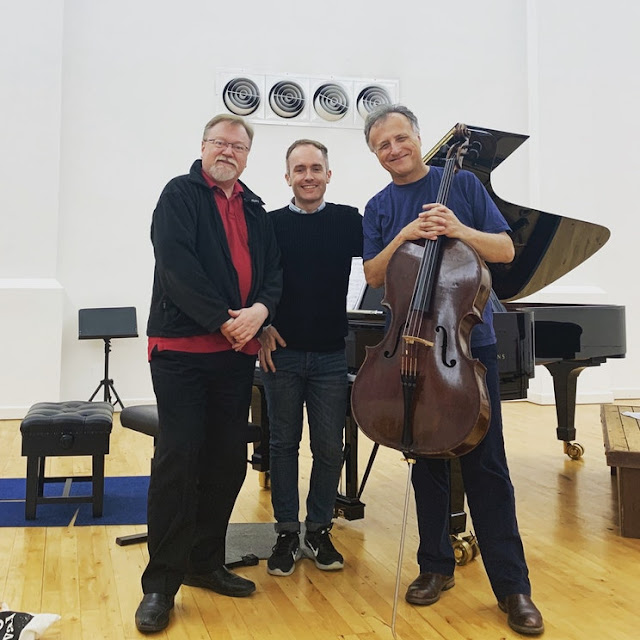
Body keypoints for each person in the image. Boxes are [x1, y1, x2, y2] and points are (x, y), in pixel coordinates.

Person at [360, 104, 544, 636]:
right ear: (376, 155)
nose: (394, 150)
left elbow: (506, 249)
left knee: (488, 467)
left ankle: (513, 587)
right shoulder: (378, 207)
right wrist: (405, 235)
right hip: (410, 349)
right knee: (427, 462)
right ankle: (434, 567)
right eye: (382, 146)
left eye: (400, 138)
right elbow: (375, 274)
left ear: (418, 138)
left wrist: (459, 229)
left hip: (467, 348)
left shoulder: (460, 186)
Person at [135, 114, 282, 634]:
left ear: (247, 155)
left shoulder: (256, 207)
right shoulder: (178, 195)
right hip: (182, 351)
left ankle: (204, 561)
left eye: (238, 146)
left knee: (226, 461)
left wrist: (261, 311)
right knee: (180, 459)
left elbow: (272, 273)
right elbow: (177, 267)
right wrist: (226, 321)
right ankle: (160, 585)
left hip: (233, 354)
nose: (228, 151)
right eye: (219, 143)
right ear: (203, 147)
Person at [257, 139, 363, 577]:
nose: (308, 176)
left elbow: (384, 258)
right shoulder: (269, 224)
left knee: (328, 446)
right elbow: (252, 279)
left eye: (316, 168)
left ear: (328, 174)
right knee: (282, 445)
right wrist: (260, 327)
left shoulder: (346, 220)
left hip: (330, 356)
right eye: (299, 169)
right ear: (287, 178)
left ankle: (318, 529)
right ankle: (286, 531)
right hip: (280, 354)